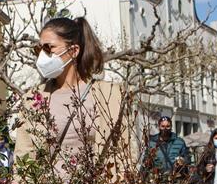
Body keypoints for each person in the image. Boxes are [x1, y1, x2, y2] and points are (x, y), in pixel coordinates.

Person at [13, 16, 132, 168]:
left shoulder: (110, 95)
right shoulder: (32, 99)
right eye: (39, 49)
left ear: (74, 50)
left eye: (49, 48)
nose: (42, 55)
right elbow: (23, 156)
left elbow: (126, 154)